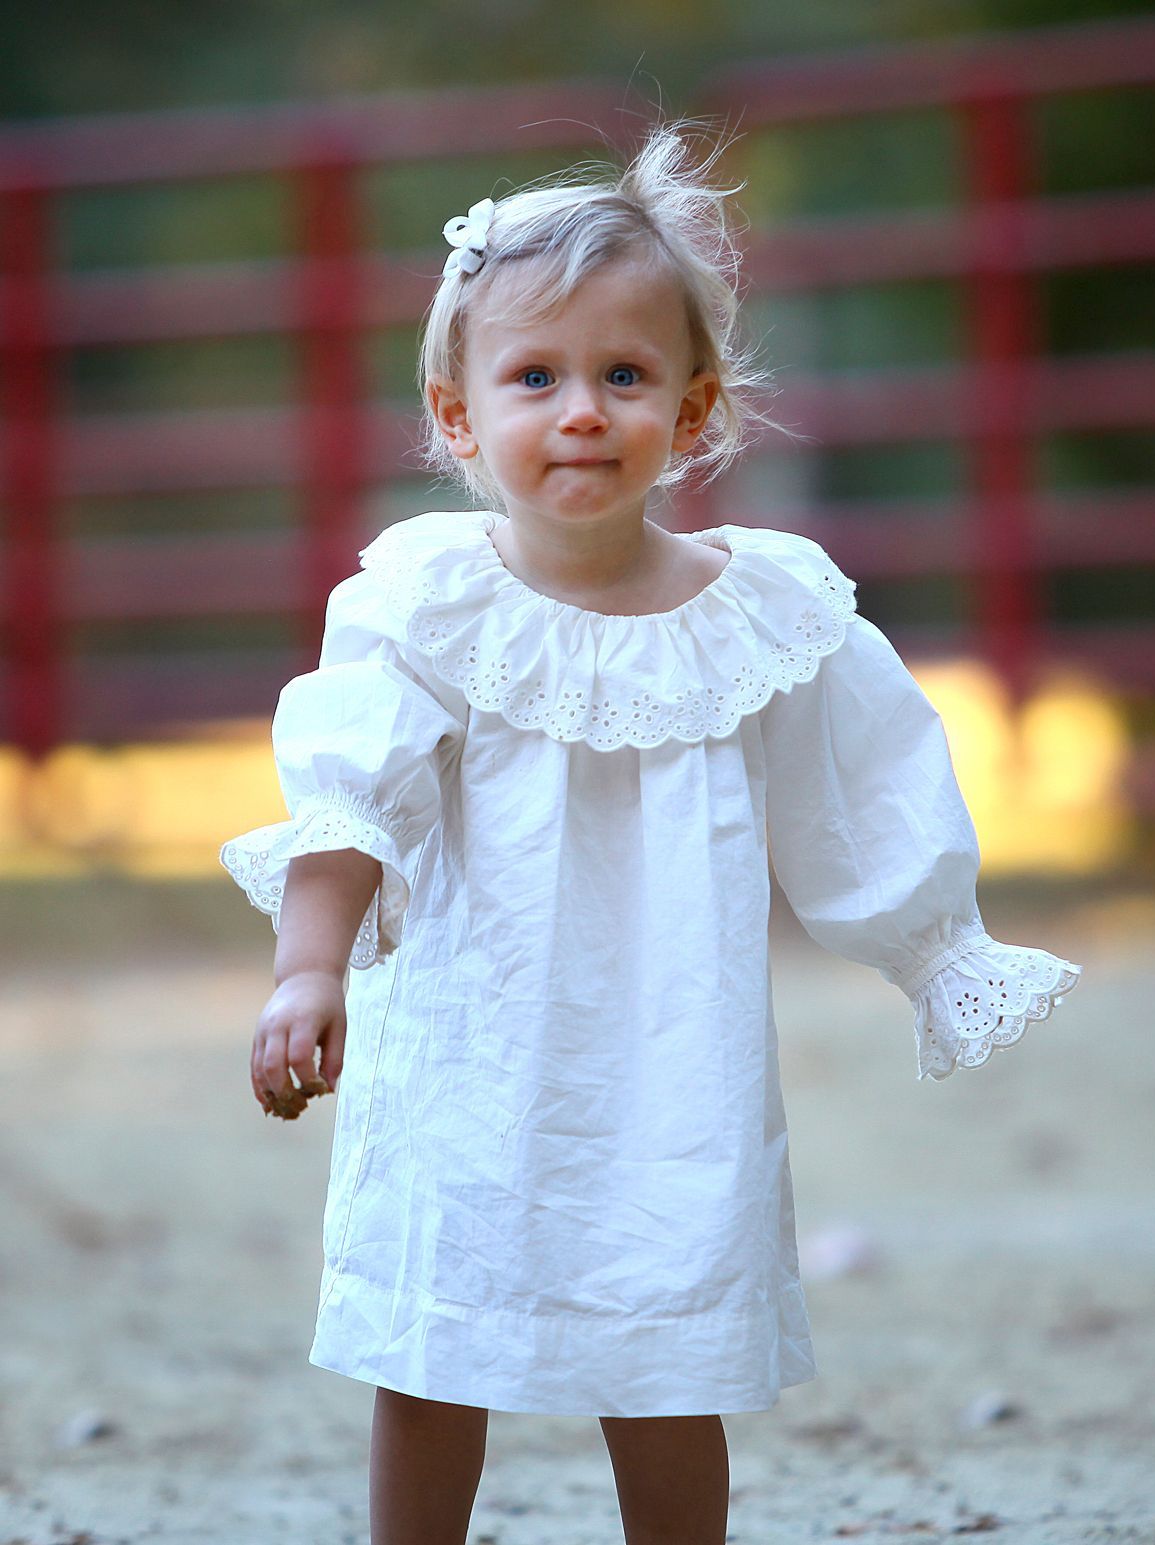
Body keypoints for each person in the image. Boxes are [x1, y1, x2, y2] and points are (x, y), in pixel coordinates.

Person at [219, 120, 1081, 1545]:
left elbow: (863, 775)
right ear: (458, 417)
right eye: (536, 376)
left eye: (625, 376)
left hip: (674, 1037)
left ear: (692, 412)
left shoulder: (761, 611)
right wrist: (311, 965)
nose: (581, 410)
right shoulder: (422, 605)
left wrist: (935, 947)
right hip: (472, 1028)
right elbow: (348, 793)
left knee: (671, 1337)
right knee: (439, 1336)